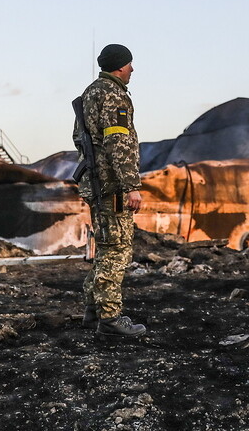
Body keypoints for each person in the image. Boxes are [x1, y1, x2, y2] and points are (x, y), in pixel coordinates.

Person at [72, 43, 146, 337]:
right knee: (117, 250)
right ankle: (111, 319)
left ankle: (93, 312)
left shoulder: (91, 93)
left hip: (96, 182)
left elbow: (79, 138)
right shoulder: (115, 96)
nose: (132, 70)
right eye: (129, 64)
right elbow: (118, 144)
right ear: (119, 66)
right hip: (112, 186)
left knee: (105, 249)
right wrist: (131, 186)